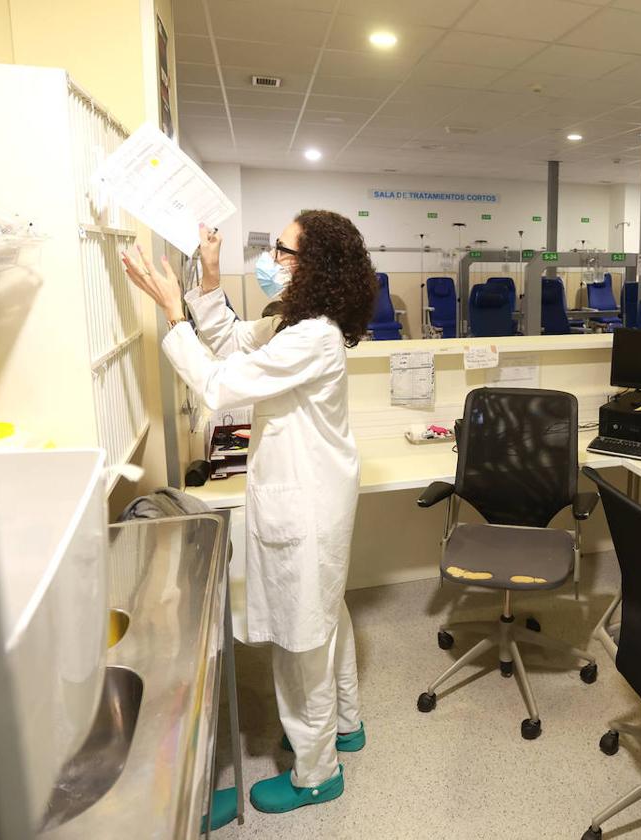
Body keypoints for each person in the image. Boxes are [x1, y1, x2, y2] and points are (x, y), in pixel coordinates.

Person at [122, 211, 378, 817]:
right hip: (315, 494)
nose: (272, 259)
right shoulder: (298, 324)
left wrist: (172, 313)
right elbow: (234, 344)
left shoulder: (312, 335)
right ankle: (345, 724)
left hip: (307, 502)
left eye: (281, 251)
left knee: (300, 639)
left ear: (313, 265)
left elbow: (219, 385)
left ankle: (318, 774)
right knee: (324, 613)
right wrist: (209, 276)